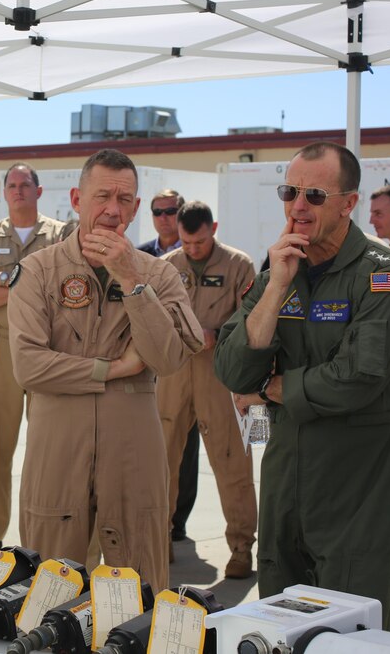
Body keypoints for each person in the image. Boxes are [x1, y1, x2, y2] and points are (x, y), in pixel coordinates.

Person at [215, 141, 390, 630]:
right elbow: (231, 370)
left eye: (314, 195)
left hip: (357, 486)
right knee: (279, 626)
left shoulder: (387, 278)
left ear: (348, 203)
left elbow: (356, 379)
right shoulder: (279, 271)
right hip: (284, 480)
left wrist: (271, 388)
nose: (297, 206)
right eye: (289, 192)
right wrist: (275, 288)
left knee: (349, 629)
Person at [7, 149, 203, 594]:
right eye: (102, 197)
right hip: (58, 443)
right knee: (50, 579)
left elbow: (169, 359)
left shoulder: (160, 276)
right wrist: (115, 368)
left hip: (133, 448)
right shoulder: (38, 271)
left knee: (138, 576)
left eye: (124, 199)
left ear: (136, 208)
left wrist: (132, 281)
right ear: (77, 199)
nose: (113, 210)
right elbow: (29, 365)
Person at [0, 162, 65, 555]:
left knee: (48, 448)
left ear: (39, 192)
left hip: (46, 348)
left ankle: (45, 529)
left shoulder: (60, 235)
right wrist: (25, 283)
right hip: (0, 349)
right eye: (12, 185)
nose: (19, 190)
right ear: (4, 192)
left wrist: (0, 279)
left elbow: (62, 290)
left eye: (26, 184)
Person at [157, 201, 257, 578]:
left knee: (232, 460)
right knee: (161, 460)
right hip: (175, 372)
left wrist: (219, 334)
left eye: (199, 242)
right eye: (186, 242)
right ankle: (160, 537)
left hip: (220, 373)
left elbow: (252, 315)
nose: (192, 249)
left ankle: (242, 546)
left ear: (213, 228)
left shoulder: (238, 264)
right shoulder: (168, 265)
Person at [136, 188, 199, 541]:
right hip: (148, 365)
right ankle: (158, 513)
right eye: (157, 211)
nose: (164, 217)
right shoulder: (141, 255)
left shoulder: (197, 252)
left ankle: (178, 520)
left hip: (186, 362)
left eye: (171, 210)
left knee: (187, 448)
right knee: (158, 444)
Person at [137, 189, 184, 257]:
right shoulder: (139, 254)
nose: (163, 218)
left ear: (182, 214)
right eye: (157, 212)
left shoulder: (194, 252)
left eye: (170, 211)